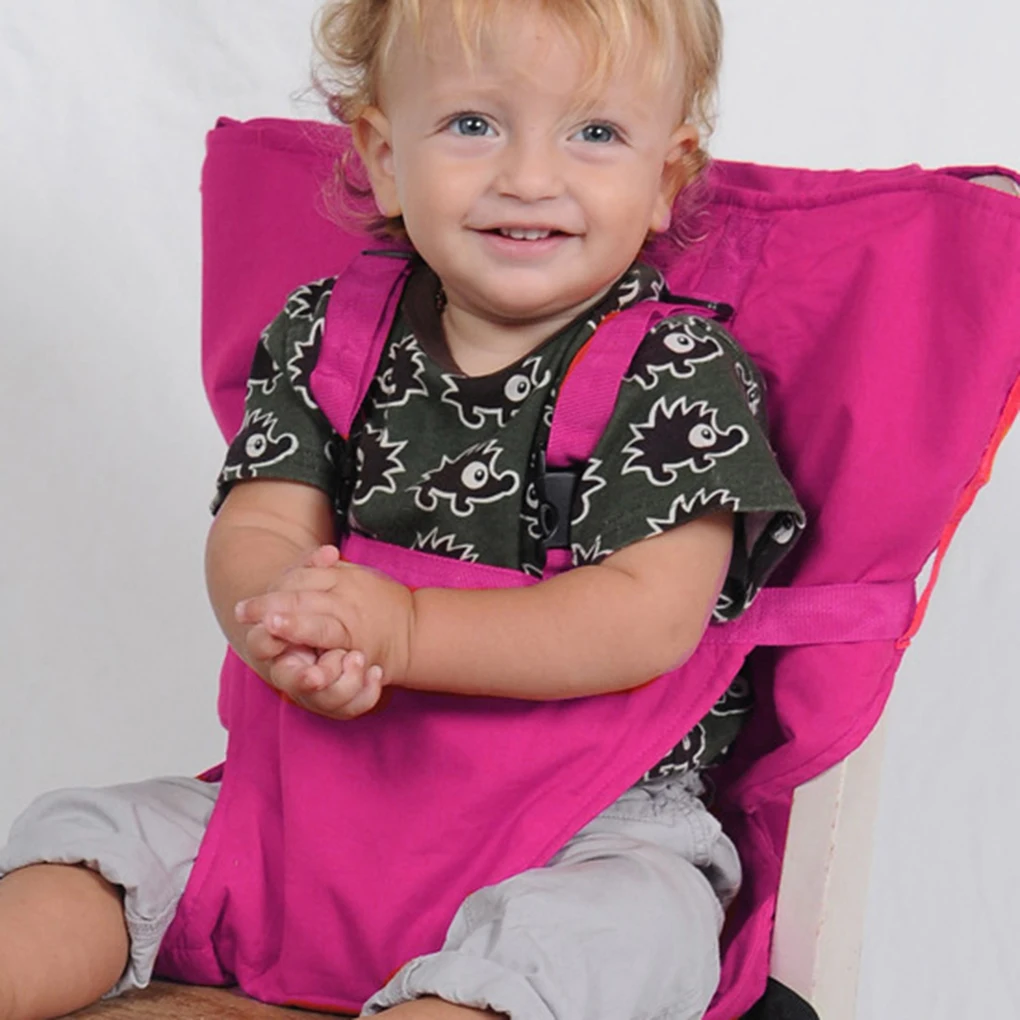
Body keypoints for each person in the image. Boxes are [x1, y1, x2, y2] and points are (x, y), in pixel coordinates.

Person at [0, 2, 805, 1019]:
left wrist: (407, 630)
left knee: (623, 929)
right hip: (306, 811)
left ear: (666, 180)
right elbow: (261, 524)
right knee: (91, 847)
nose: (530, 177)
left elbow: (648, 617)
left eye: (595, 132)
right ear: (384, 157)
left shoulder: (679, 370)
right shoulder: (328, 333)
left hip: (583, 825)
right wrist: (284, 619)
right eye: (474, 124)